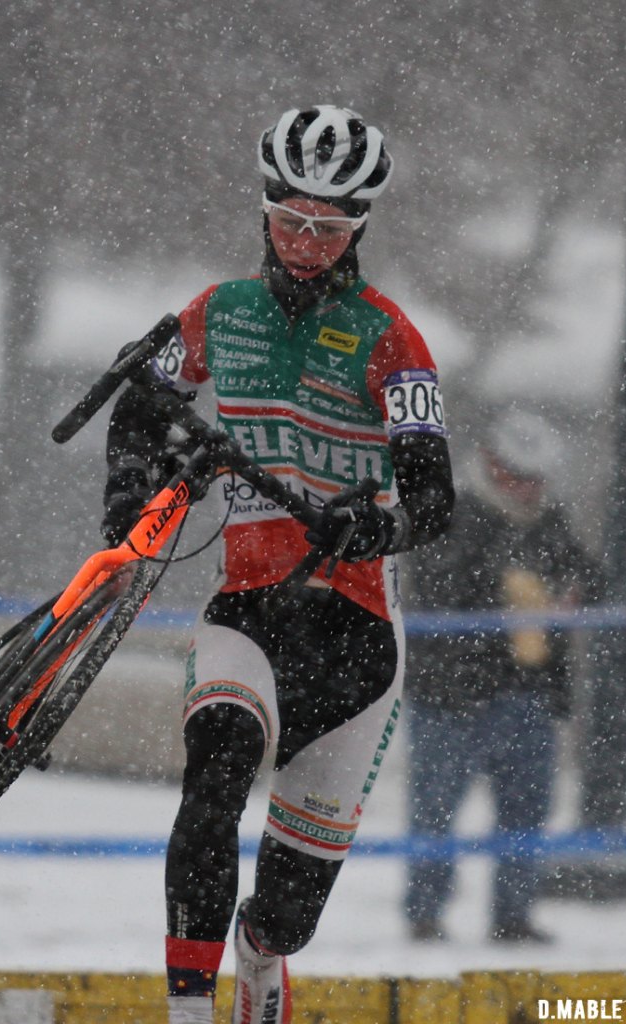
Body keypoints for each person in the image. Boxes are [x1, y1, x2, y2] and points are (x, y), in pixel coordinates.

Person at [100, 106, 455, 1024]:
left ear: (358, 231)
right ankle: (185, 1009)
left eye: (328, 228)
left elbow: (433, 499)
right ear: (264, 211)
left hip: (356, 643)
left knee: (286, 916)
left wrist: (374, 528)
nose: (304, 243)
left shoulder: (392, 338)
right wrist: (128, 502)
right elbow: (138, 411)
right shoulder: (218, 312)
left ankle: (260, 956)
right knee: (213, 778)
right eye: (291, 219)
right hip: (250, 613)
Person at [402, 407, 601, 944]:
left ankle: (513, 915)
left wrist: (571, 588)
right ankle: (425, 913)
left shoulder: (550, 524)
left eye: (535, 478)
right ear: (489, 462)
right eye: (518, 474)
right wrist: (505, 593)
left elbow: (591, 575)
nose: (527, 487)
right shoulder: (450, 513)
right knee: (435, 810)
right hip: (451, 698)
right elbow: (439, 589)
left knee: (526, 812)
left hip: (529, 695)